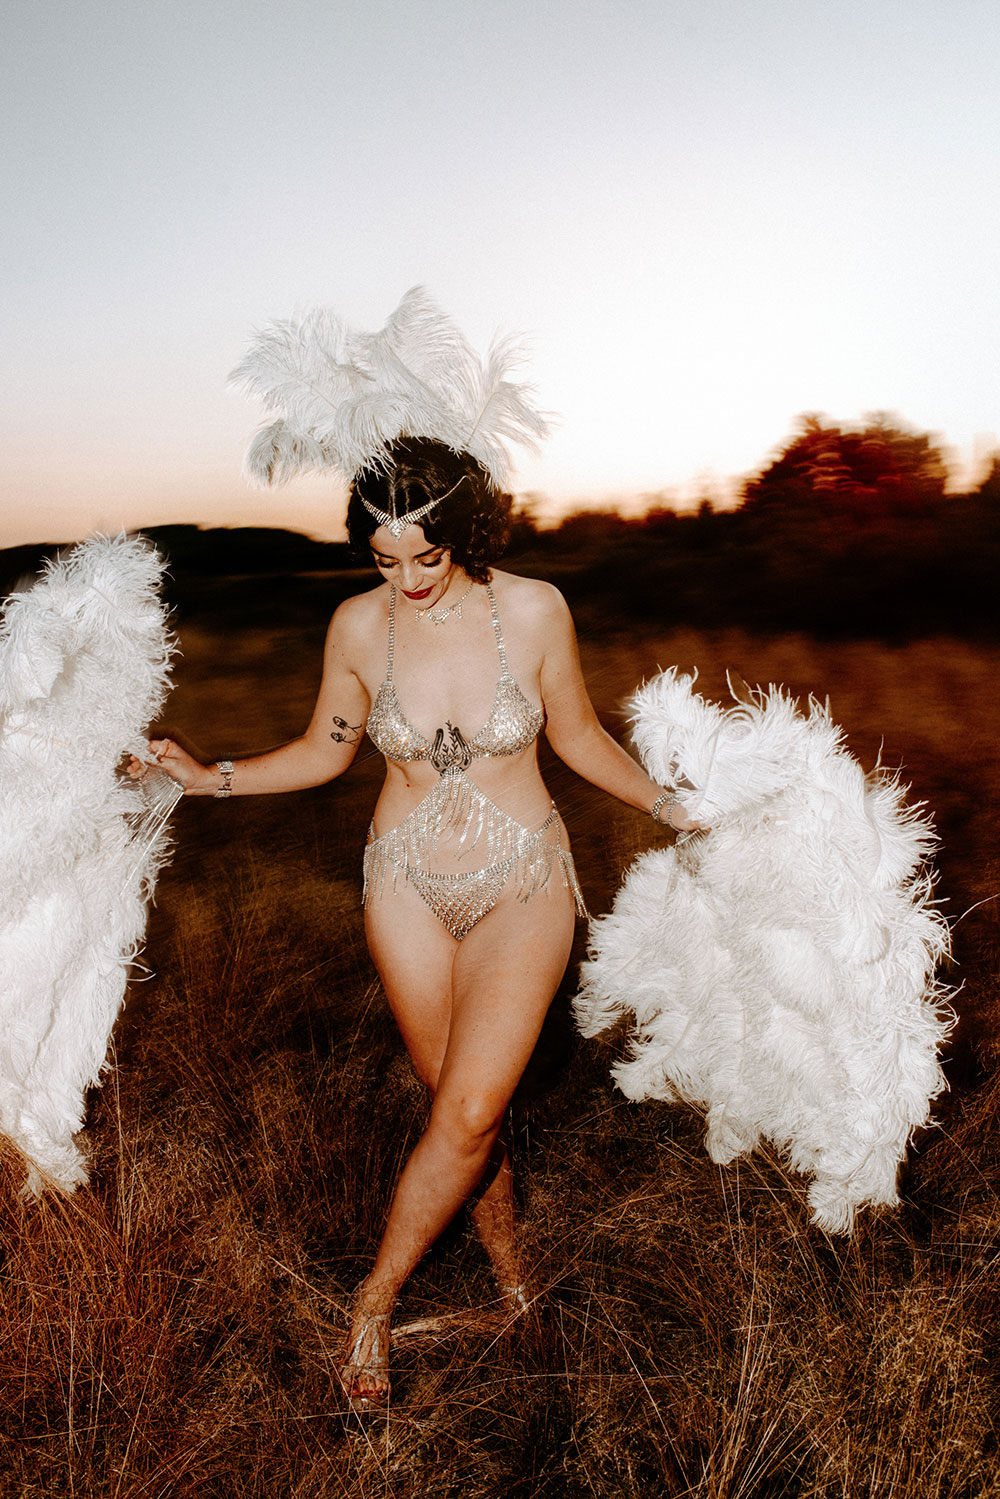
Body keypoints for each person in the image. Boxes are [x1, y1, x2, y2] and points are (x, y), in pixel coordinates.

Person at [134, 292, 702, 1412]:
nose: (408, 577)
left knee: (474, 1105)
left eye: (426, 553)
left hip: (522, 877)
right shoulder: (357, 626)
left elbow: (581, 738)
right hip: (399, 879)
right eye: (386, 556)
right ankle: (513, 1283)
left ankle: (373, 1303)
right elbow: (323, 750)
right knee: (456, 1100)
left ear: (466, 527)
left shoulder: (534, 610)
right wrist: (211, 776)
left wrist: (676, 804)